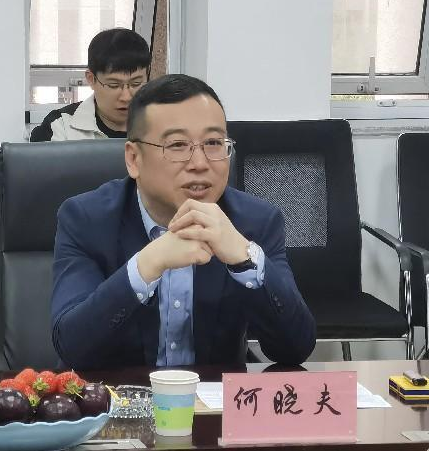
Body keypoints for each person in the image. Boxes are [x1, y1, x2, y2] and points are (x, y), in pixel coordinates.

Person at [51, 74, 316, 370]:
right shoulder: (86, 219)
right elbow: (72, 347)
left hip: (214, 398)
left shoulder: (255, 222)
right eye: (177, 145)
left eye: (213, 143)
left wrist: (246, 260)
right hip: (117, 396)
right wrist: (146, 265)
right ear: (134, 159)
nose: (200, 163)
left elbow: (296, 348)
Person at [43, 28, 151, 141]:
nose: (126, 97)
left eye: (136, 83)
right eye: (113, 85)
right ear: (91, 79)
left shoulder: (161, 123)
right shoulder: (59, 127)